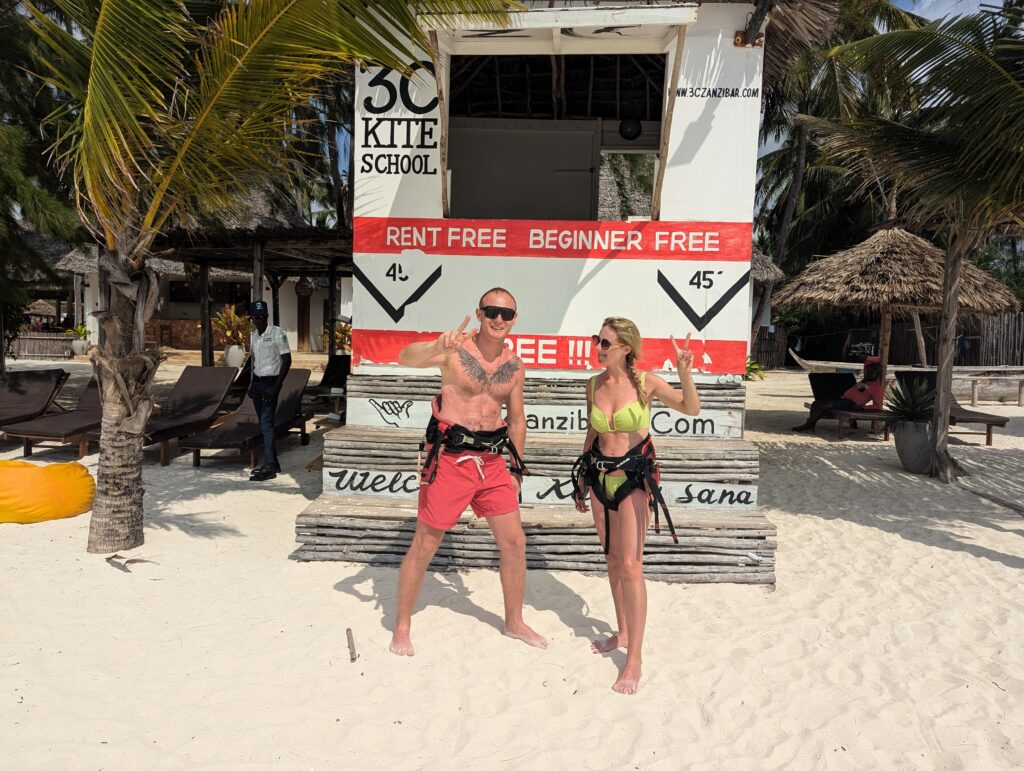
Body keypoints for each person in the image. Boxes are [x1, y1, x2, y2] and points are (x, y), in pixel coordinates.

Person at [389, 287, 546, 657]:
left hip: (492, 462)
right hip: (451, 459)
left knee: (515, 542)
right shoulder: (454, 349)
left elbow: (518, 419)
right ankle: (401, 625)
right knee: (425, 544)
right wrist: (434, 346)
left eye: (506, 314)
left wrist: (516, 469)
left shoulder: (515, 365)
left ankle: (514, 622)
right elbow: (403, 357)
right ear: (479, 313)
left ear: (515, 320)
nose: (498, 319)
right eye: (491, 311)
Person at [570, 318, 700, 695]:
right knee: (611, 559)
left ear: (626, 347)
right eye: (598, 341)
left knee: (631, 564)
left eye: (606, 343)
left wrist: (684, 373)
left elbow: (691, 408)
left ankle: (635, 659)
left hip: (634, 478)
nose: (599, 347)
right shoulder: (592, 384)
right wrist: (580, 476)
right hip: (598, 476)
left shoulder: (647, 384)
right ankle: (623, 631)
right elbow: (592, 432)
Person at [247, 300, 291, 481]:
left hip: (270, 383)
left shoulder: (277, 334)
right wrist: (251, 384)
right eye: (255, 317)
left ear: (266, 317)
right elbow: (254, 362)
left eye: (261, 317)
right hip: (257, 383)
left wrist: (276, 386)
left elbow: (287, 360)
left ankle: (269, 466)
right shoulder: (253, 336)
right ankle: (274, 463)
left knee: (266, 424)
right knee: (263, 424)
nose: (258, 320)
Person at [792, 355, 883, 432]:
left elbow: (878, 406)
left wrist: (863, 407)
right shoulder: (865, 382)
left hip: (851, 404)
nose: (870, 374)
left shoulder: (877, 388)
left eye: (873, 372)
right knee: (816, 403)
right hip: (844, 399)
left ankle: (806, 426)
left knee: (823, 405)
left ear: (877, 374)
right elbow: (855, 390)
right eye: (869, 371)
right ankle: (810, 428)